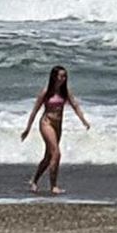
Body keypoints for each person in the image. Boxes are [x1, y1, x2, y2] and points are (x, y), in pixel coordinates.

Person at [22, 64, 90, 194]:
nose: (63, 79)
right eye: (61, 76)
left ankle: (34, 180)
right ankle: (53, 186)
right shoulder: (46, 92)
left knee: (49, 156)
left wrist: (83, 121)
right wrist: (28, 128)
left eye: (65, 76)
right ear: (54, 77)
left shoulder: (65, 92)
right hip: (46, 123)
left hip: (58, 125)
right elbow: (35, 111)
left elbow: (75, 105)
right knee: (56, 153)